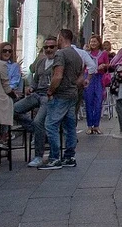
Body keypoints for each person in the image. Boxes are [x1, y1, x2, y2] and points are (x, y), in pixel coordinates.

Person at [36, 29, 85, 169]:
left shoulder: (61, 54)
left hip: (61, 94)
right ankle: (69, 156)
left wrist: (51, 90)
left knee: (51, 125)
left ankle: (54, 158)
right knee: (70, 127)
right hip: (72, 94)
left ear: (61, 38)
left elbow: (58, 75)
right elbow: (81, 76)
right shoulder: (77, 55)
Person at [82, 35, 107, 135]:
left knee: (98, 102)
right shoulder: (86, 54)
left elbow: (108, 65)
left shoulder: (103, 53)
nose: (93, 43)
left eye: (95, 41)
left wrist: (104, 66)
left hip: (99, 77)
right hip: (89, 77)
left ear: (99, 42)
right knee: (88, 101)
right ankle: (89, 126)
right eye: (91, 41)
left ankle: (96, 125)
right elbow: (83, 66)